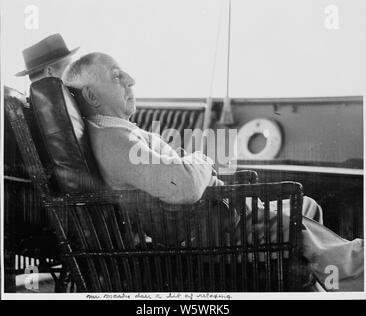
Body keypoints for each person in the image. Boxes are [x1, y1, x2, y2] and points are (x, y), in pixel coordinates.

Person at [63, 52, 363, 291]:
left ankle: (324, 282)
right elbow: (184, 188)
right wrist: (201, 159)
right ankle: (355, 272)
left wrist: (191, 164)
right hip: (212, 227)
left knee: (308, 207)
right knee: (303, 222)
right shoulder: (114, 139)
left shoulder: (117, 131)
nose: (130, 80)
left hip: (220, 214)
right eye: (117, 76)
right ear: (91, 96)